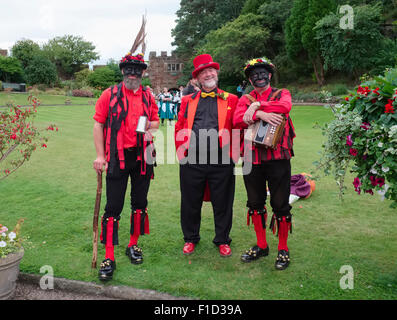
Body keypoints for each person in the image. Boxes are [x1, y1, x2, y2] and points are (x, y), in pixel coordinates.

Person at [93, 51, 159, 281]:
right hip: (116, 158)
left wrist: (149, 127)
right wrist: (100, 156)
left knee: (140, 202)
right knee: (113, 206)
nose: (133, 73)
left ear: (143, 72)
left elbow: (156, 122)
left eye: (138, 69)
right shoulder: (108, 95)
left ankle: (133, 245)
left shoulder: (149, 97)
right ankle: (109, 256)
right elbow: (98, 125)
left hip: (143, 157)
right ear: (122, 71)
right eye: (129, 69)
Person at [233, 57, 296, 270]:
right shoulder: (244, 99)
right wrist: (257, 113)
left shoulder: (282, 93)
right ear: (250, 80)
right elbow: (237, 119)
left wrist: (259, 106)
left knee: (280, 204)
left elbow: (285, 107)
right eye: (254, 74)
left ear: (269, 75)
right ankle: (261, 245)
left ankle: (283, 248)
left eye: (262, 73)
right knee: (255, 203)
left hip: (278, 158)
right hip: (252, 158)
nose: (258, 77)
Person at [174, 54, 239, 257]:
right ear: (197, 78)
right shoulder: (187, 100)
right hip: (192, 159)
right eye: (203, 72)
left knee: (223, 201)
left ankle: (222, 239)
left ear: (216, 73)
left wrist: (233, 156)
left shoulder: (232, 99)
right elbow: (179, 127)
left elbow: (238, 128)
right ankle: (190, 238)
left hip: (221, 159)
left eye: (210, 70)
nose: (208, 74)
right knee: (190, 202)